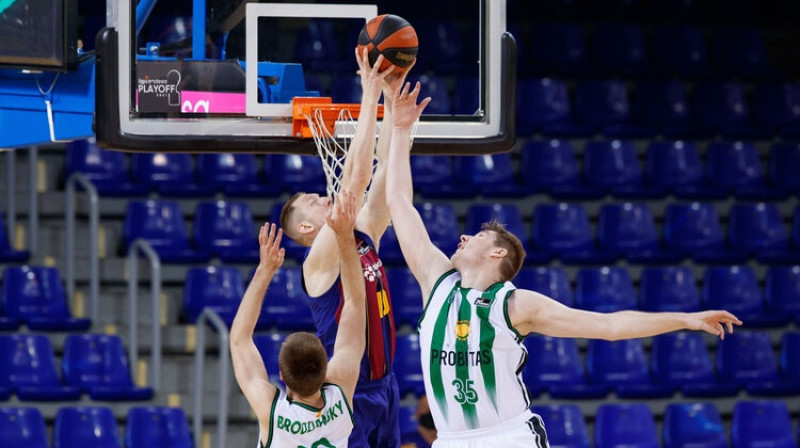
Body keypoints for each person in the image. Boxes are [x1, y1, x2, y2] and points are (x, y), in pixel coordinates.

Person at [384, 82, 743, 447]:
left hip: (508, 437)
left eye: (476, 236)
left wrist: (686, 319)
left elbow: (611, 325)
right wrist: (399, 131)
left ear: (498, 254)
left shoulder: (516, 304)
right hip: (450, 440)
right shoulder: (437, 281)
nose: (462, 238)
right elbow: (399, 203)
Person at [279, 48, 413, 447]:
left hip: (386, 385)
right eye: (313, 201)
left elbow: (386, 181)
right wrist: (368, 93)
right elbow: (354, 181)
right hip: (350, 393)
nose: (324, 197)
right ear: (306, 227)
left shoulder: (363, 233)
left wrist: (392, 104)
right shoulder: (317, 260)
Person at [230, 190, 366, 447]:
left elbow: (239, 339)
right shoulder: (341, 391)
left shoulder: (272, 414)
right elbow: (355, 306)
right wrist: (346, 236)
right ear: (326, 367)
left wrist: (265, 270)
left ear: (281, 375)